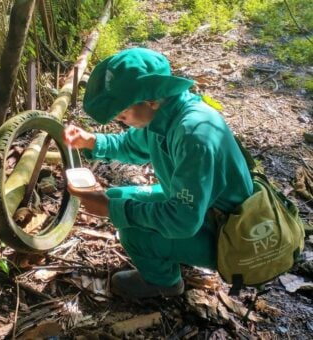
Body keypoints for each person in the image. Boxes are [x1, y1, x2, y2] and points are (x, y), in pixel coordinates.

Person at [63, 48, 253, 299]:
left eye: (123, 114)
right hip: (202, 211)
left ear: (150, 99)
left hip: (230, 234)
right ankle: (172, 255)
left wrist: (112, 210)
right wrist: (91, 142)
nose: (122, 121)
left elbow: (182, 219)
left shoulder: (192, 135)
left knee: (131, 228)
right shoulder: (165, 114)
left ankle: (165, 283)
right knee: (119, 195)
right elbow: (131, 145)